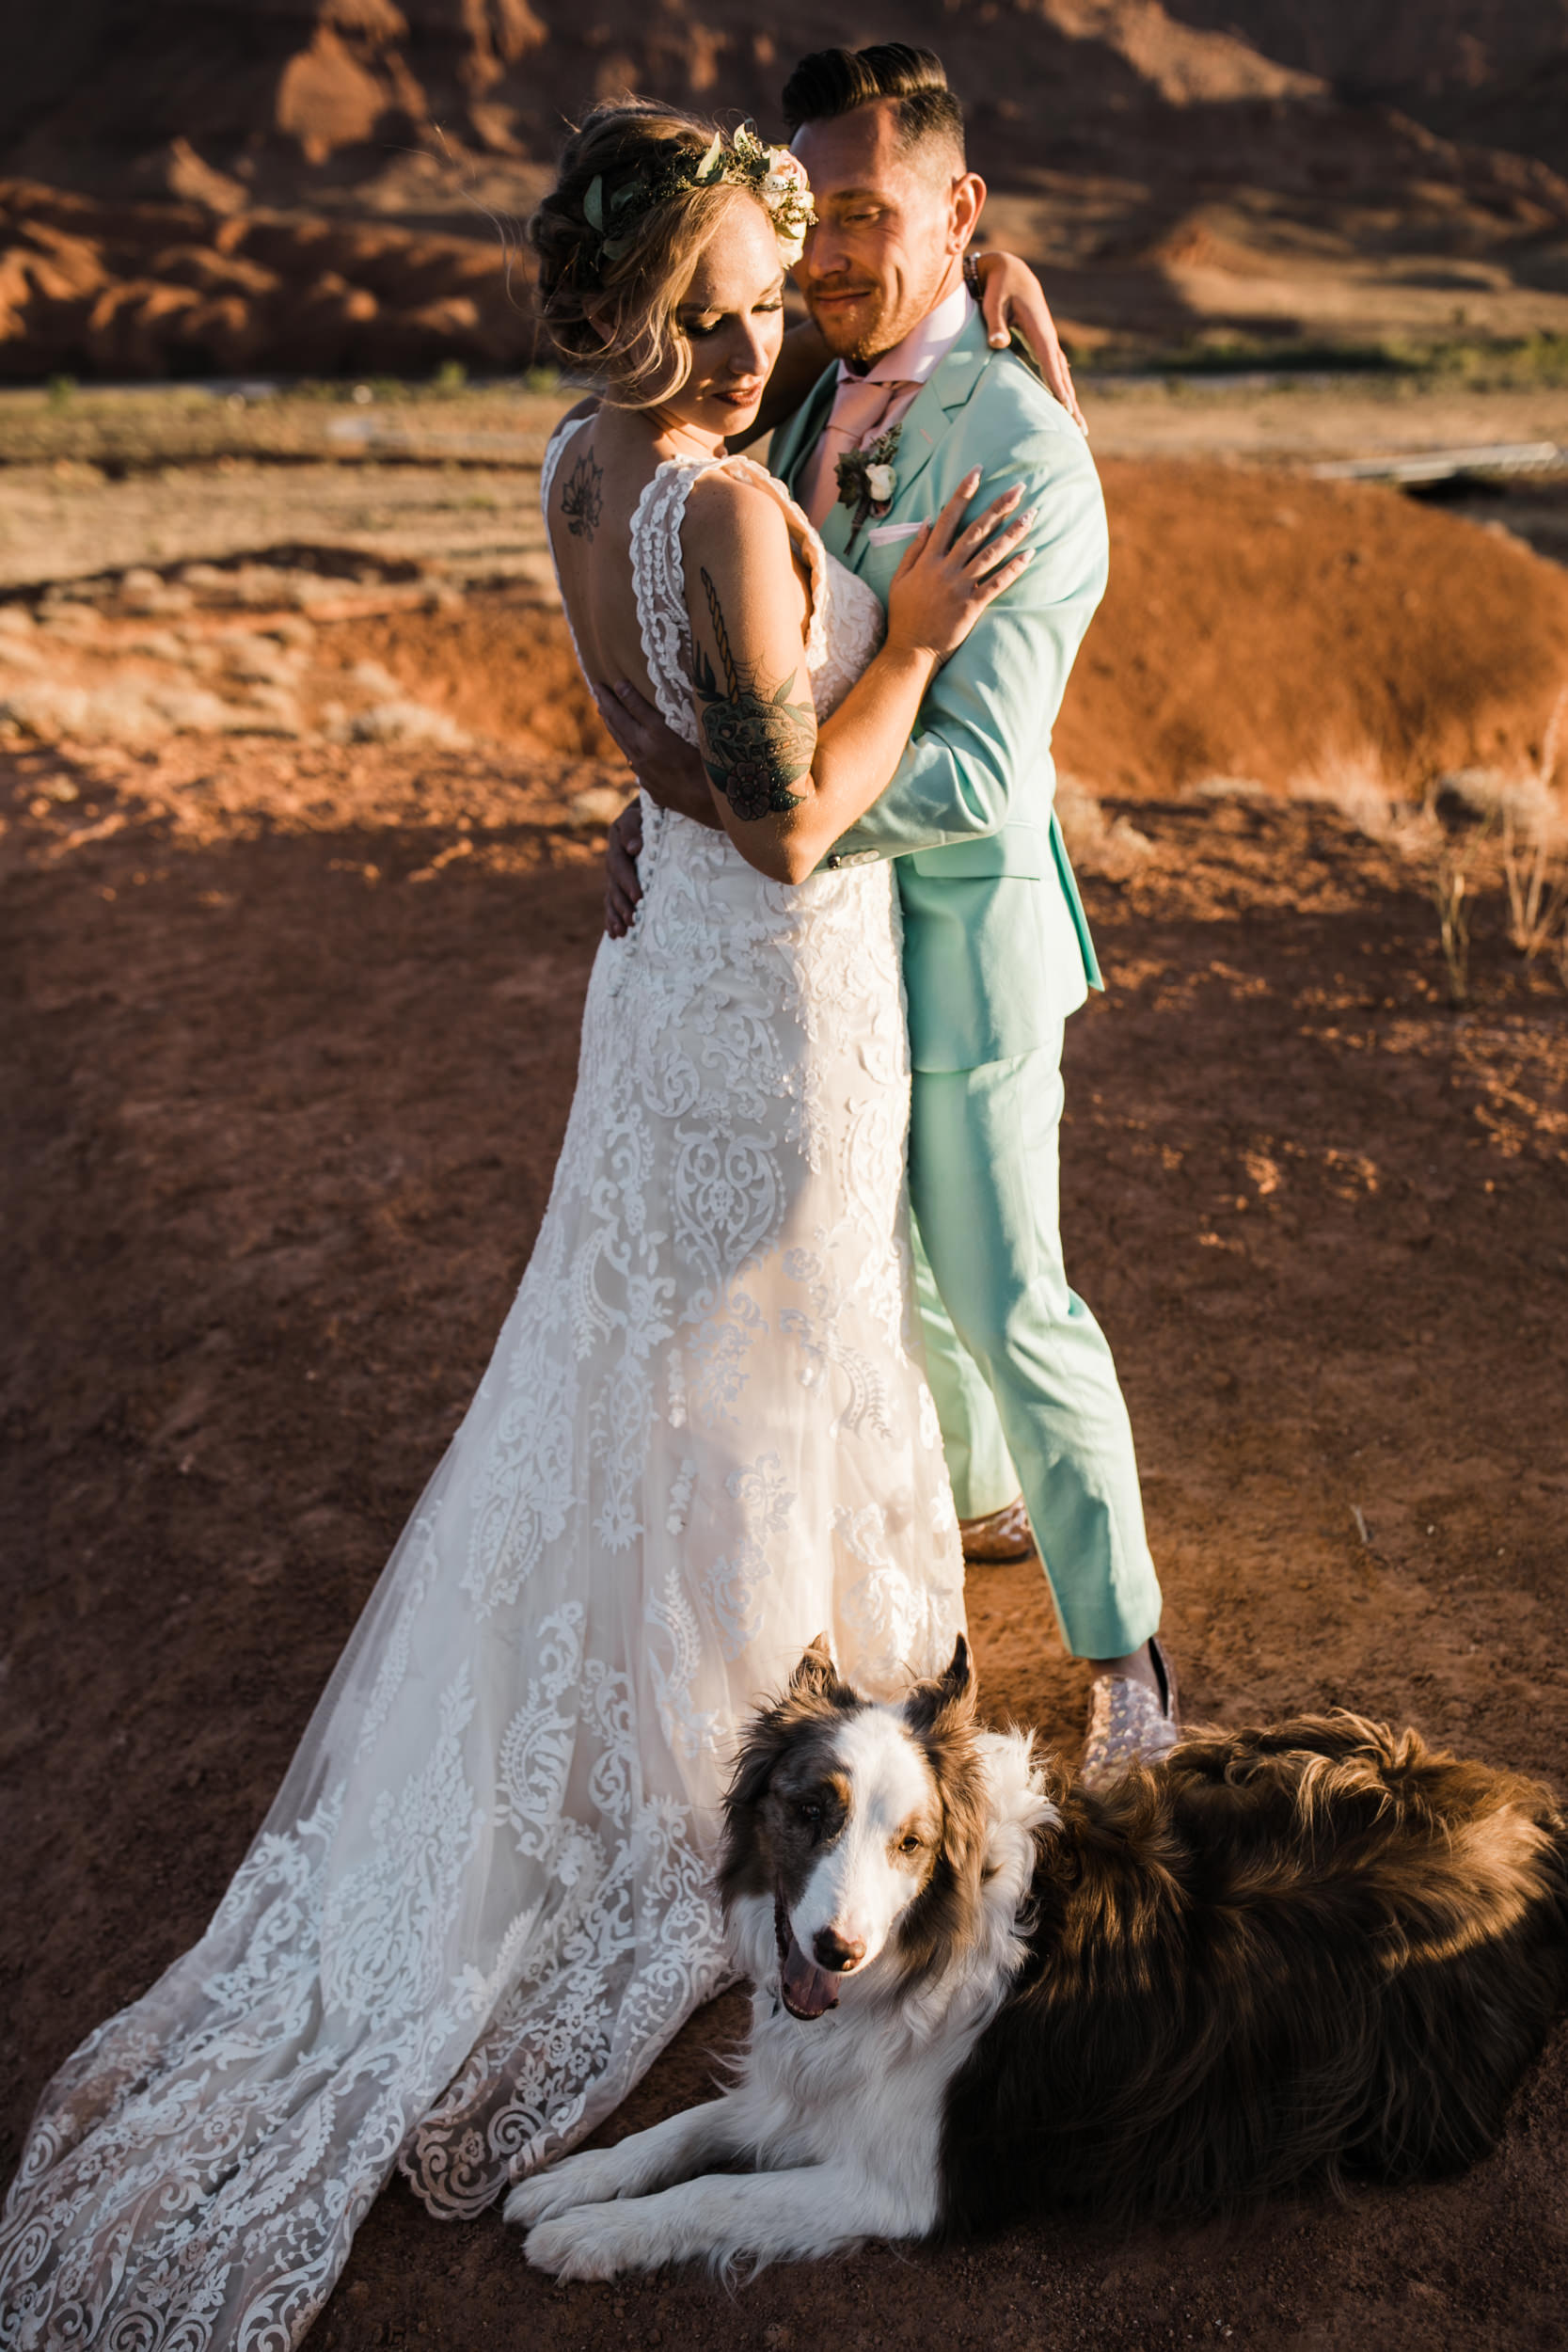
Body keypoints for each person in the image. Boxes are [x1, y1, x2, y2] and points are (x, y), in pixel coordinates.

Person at [0, 104, 1041, 2352]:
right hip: (766, 994)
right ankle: (742, 1737)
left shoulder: (582, 462)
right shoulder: (748, 513)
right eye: (740, 309)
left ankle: (747, 1671)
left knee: (640, 1356)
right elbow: (788, 823)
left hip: (653, 976)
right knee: (766, 1344)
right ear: (670, 315)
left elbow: (651, 753)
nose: (770, 341)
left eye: (781, 298)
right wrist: (927, 639)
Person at [596, 43, 1178, 1788]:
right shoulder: (788, 392)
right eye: (814, 220)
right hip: (821, 957)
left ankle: (1130, 1649)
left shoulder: (1024, 448)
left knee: (1005, 1290)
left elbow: (988, 771)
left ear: (959, 211)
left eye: (871, 217)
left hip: (963, 934)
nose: (834, 258)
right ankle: (981, 1502)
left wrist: (759, 827)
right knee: (892, 1285)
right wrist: (669, 811)